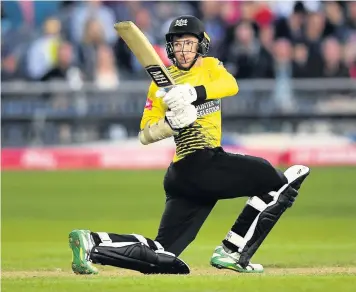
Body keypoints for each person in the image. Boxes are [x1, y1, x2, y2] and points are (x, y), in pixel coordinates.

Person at [68, 15, 310, 275]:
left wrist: (194, 93)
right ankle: (233, 251)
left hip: (194, 174)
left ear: (200, 45)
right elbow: (144, 134)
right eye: (178, 44)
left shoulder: (210, 67)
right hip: (194, 164)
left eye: (188, 43)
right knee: (273, 179)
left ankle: (92, 243)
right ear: (170, 48)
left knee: (163, 254)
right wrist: (169, 124)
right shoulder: (160, 85)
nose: (183, 50)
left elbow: (231, 85)